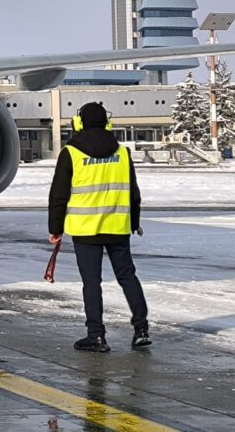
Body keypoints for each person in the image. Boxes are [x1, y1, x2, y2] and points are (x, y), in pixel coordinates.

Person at [48, 102, 151, 352]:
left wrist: (55, 229)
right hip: (117, 226)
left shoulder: (71, 152)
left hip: (86, 229)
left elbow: (58, 195)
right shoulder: (122, 152)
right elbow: (133, 193)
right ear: (107, 122)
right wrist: (134, 222)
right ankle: (141, 329)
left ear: (79, 123)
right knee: (127, 276)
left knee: (92, 283)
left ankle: (96, 335)